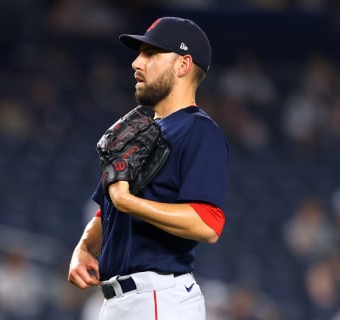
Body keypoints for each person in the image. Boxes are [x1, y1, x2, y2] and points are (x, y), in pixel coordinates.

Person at [68, 17, 229, 320]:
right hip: (118, 301)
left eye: (151, 54)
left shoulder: (198, 130)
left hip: (158, 299)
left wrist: (129, 202)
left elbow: (208, 223)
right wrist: (84, 248)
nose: (136, 63)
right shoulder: (139, 129)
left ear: (183, 65)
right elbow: (107, 210)